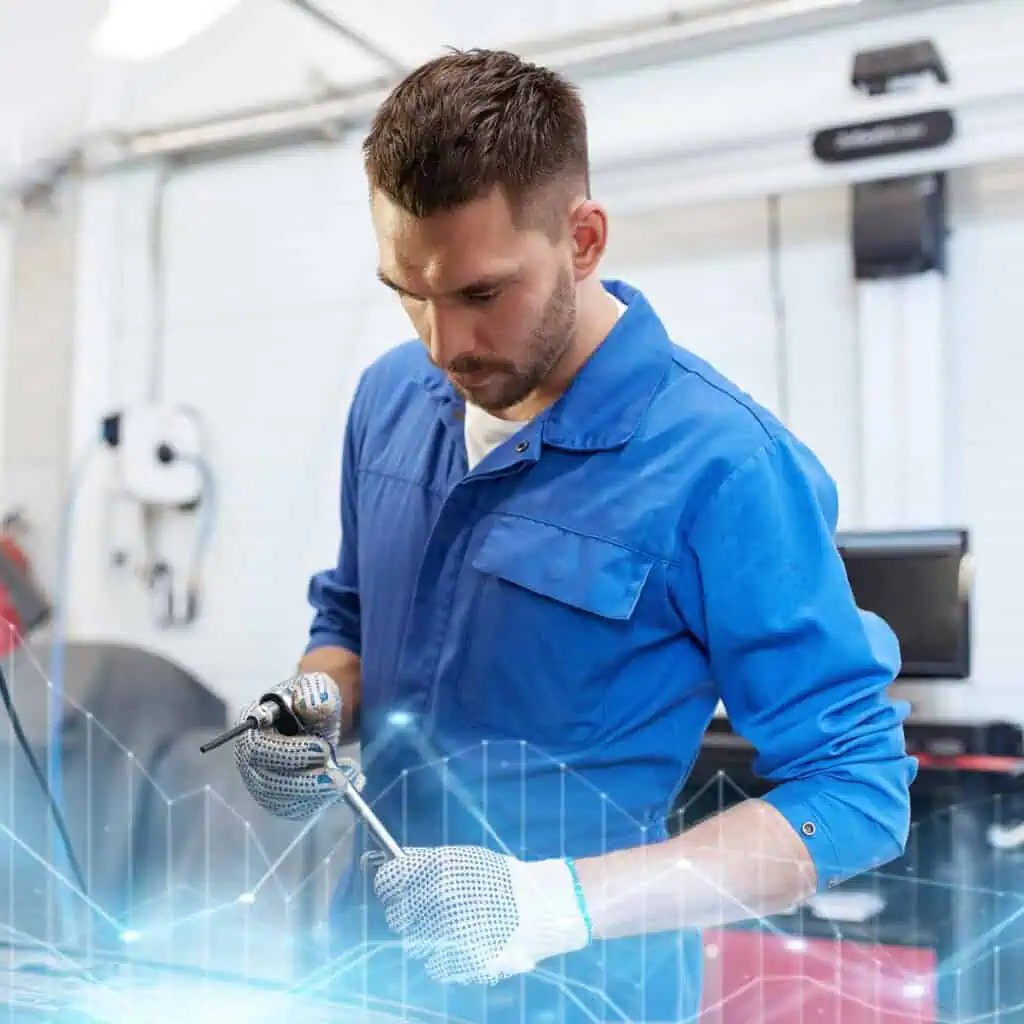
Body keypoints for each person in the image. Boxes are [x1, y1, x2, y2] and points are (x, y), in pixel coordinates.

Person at [234, 47, 917, 1023]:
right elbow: (350, 610)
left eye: (480, 294)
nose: (444, 344)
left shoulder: (725, 468)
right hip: (360, 968)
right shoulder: (390, 398)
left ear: (583, 237)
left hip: (578, 992)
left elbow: (855, 791)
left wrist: (553, 905)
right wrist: (315, 702)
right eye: (407, 291)